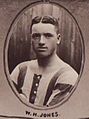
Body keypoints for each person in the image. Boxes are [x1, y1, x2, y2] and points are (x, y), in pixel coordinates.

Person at [10, 16, 78, 107]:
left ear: (58, 39)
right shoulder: (20, 69)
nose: (41, 41)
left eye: (48, 35)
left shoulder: (68, 76)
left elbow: (52, 115)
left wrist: (21, 101)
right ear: (31, 39)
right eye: (36, 36)